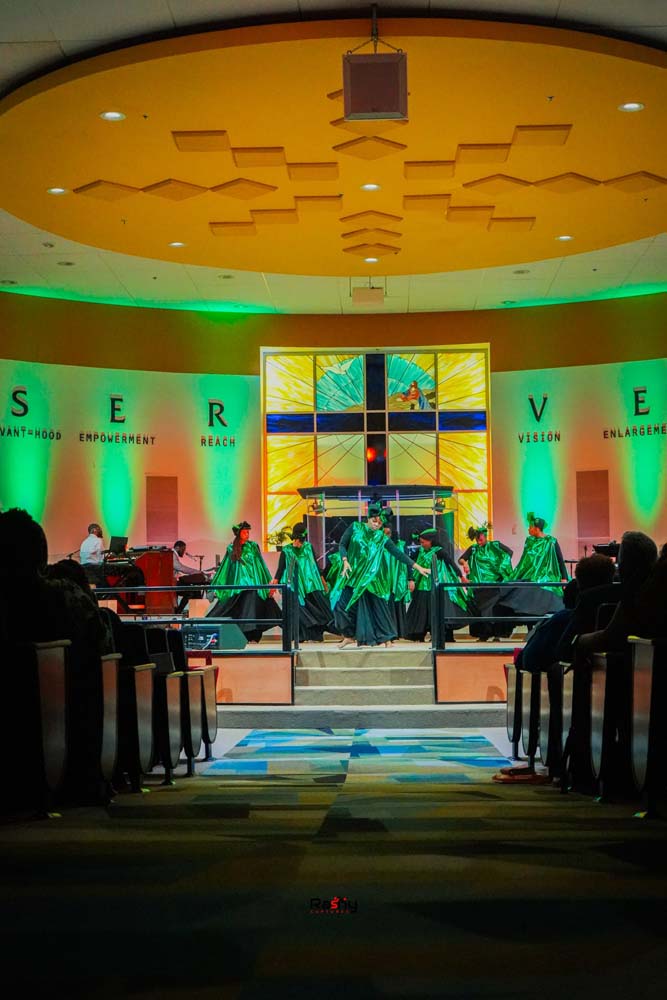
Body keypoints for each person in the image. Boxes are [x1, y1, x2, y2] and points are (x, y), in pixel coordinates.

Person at [330, 504, 429, 648]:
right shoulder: (355, 527)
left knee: (378, 607)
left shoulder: (381, 537)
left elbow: (398, 553)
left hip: (371, 578)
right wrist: (345, 560)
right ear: (368, 518)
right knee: (340, 606)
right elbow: (342, 544)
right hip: (352, 576)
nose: (377, 525)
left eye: (380, 523)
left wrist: (417, 567)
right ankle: (349, 635)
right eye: (374, 521)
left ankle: (387, 639)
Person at [207, 521, 281, 642]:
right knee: (234, 610)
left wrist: (269, 582)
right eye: (245, 532)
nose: (247, 534)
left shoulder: (253, 546)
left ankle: (253, 636)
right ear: (239, 534)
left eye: (248, 532)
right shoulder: (231, 548)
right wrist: (216, 586)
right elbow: (226, 568)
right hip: (239, 586)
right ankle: (237, 636)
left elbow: (260, 565)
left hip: (253, 584)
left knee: (255, 610)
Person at [498, 512, 567, 621]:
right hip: (530, 576)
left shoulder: (551, 542)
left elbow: (560, 560)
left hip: (546, 577)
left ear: (537, 529)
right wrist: (517, 574)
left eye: (530, 527)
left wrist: (564, 578)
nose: (528, 529)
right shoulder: (529, 541)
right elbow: (524, 561)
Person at [272, 522, 334, 642]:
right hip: (295, 586)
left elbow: (316, 566)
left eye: (301, 540)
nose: (300, 543)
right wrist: (274, 585)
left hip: (310, 585)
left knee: (318, 610)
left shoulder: (308, 548)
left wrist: (323, 583)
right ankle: (300, 636)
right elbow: (280, 569)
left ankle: (315, 635)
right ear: (294, 538)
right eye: (298, 540)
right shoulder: (287, 550)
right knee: (299, 611)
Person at [405, 527, 467, 644]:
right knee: (422, 612)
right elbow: (409, 561)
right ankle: (419, 634)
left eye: (423, 542)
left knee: (436, 610)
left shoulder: (439, 551)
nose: (422, 544)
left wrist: (461, 576)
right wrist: (410, 577)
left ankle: (439, 635)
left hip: (436, 586)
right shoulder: (420, 551)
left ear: (430, 541)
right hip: (422, 586)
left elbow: (451, 563)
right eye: (420, 542)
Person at [459, 523, 514, 640]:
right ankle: (483, 635)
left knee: (494, 610)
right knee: (480, 610)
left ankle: (497, 635)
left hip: (493, 585)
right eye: (477, 540)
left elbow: (509, 552)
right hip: (479, 586)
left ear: (485, 536)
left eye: (480, 540)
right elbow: (461, 559)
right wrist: (465, 563)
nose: (479, 542)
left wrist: (502, 566)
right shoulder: (473, 549)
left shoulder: (495, 545)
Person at [381, 522, 410, 639]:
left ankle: (396, 632)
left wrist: (411, 579)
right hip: (382, 582)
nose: (386, 536)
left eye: (388, 533)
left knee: (395, 605)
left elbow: (408, 562)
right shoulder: (377, 545)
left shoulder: (400, 545)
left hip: (397, 581)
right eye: (384, 533)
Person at [172, 540, 210, 613]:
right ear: (177, 547)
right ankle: (179, 611)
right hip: (172, 584)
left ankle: (196, 613)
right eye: (183, 549)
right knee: (190, 591)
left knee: (196, 590)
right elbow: (180, 568)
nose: (184, 552)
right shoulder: (172, 555)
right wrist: (197, 572)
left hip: (174, 582)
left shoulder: (174, 555)